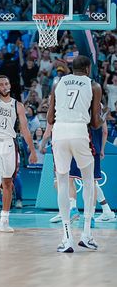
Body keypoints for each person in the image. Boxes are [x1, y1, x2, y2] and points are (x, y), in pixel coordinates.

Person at [47, 55, 104, 253]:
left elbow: (49, 117)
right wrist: (103, 118)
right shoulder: (94, 85)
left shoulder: (58, 83)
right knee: (88, 181)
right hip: (80, 131)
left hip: (59, 131)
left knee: (62, 182)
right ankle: (86, 234)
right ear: (88, 69)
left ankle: (66, 237)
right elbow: (95, 123)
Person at [0, 58, 37, 233]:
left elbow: (25, 129)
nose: (4, 86)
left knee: (8, 183)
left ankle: (5, 219)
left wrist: (32, 150)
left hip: (10, 146)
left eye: (6, 84)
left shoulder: (17, 105)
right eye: (1, 84)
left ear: (10, 86)